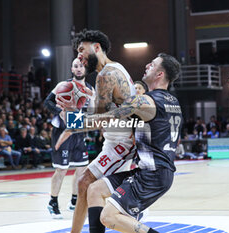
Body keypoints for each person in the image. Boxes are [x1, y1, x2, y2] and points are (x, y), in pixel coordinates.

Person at [58, 53, 182, 233]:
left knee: (108, 217)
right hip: (152, 171)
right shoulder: (173, 102)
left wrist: (71, 119)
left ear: (160, 74)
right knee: (94, 189)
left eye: (153, 64)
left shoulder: (145, 101)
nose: (147, 65)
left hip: (152, 175)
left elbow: (105, 119)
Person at [55, 29, 137, 232]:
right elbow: (102, 115)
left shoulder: (106, 75)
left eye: (82, 50)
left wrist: (71, 118)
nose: (79, 56)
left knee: (87, 184)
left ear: (97, 47)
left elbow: (96, 120)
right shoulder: (115, 69)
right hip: (116, 140)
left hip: (122, 144)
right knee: (85, 184)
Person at [44, 57, 95, 219]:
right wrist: (59, 111)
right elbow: (47, 102)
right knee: (61, 170)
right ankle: (53, 202)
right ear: (72, 70)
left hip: (79, 133)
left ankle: (74, 201)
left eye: (81, 66)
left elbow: (92, 111)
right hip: (62, 131)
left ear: (86, 69)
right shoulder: (63, 86)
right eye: (75, 66)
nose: (79, 68)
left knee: (81, 169)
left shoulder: (90, 89)